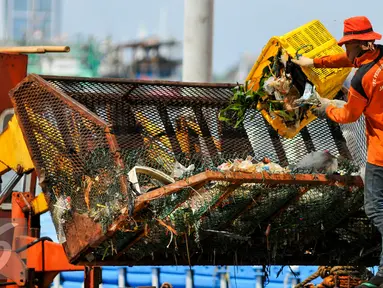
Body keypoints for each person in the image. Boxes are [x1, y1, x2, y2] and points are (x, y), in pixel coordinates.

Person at [292, 15, 383, 287]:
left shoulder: (362, 80)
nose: (345, 51)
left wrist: (323, 108)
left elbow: (348, 116)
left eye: (347, 45)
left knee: (375, 208)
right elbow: (348, 61)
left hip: (380, 152)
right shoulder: (377, 56)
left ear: (360, 44)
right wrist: (314, 63)